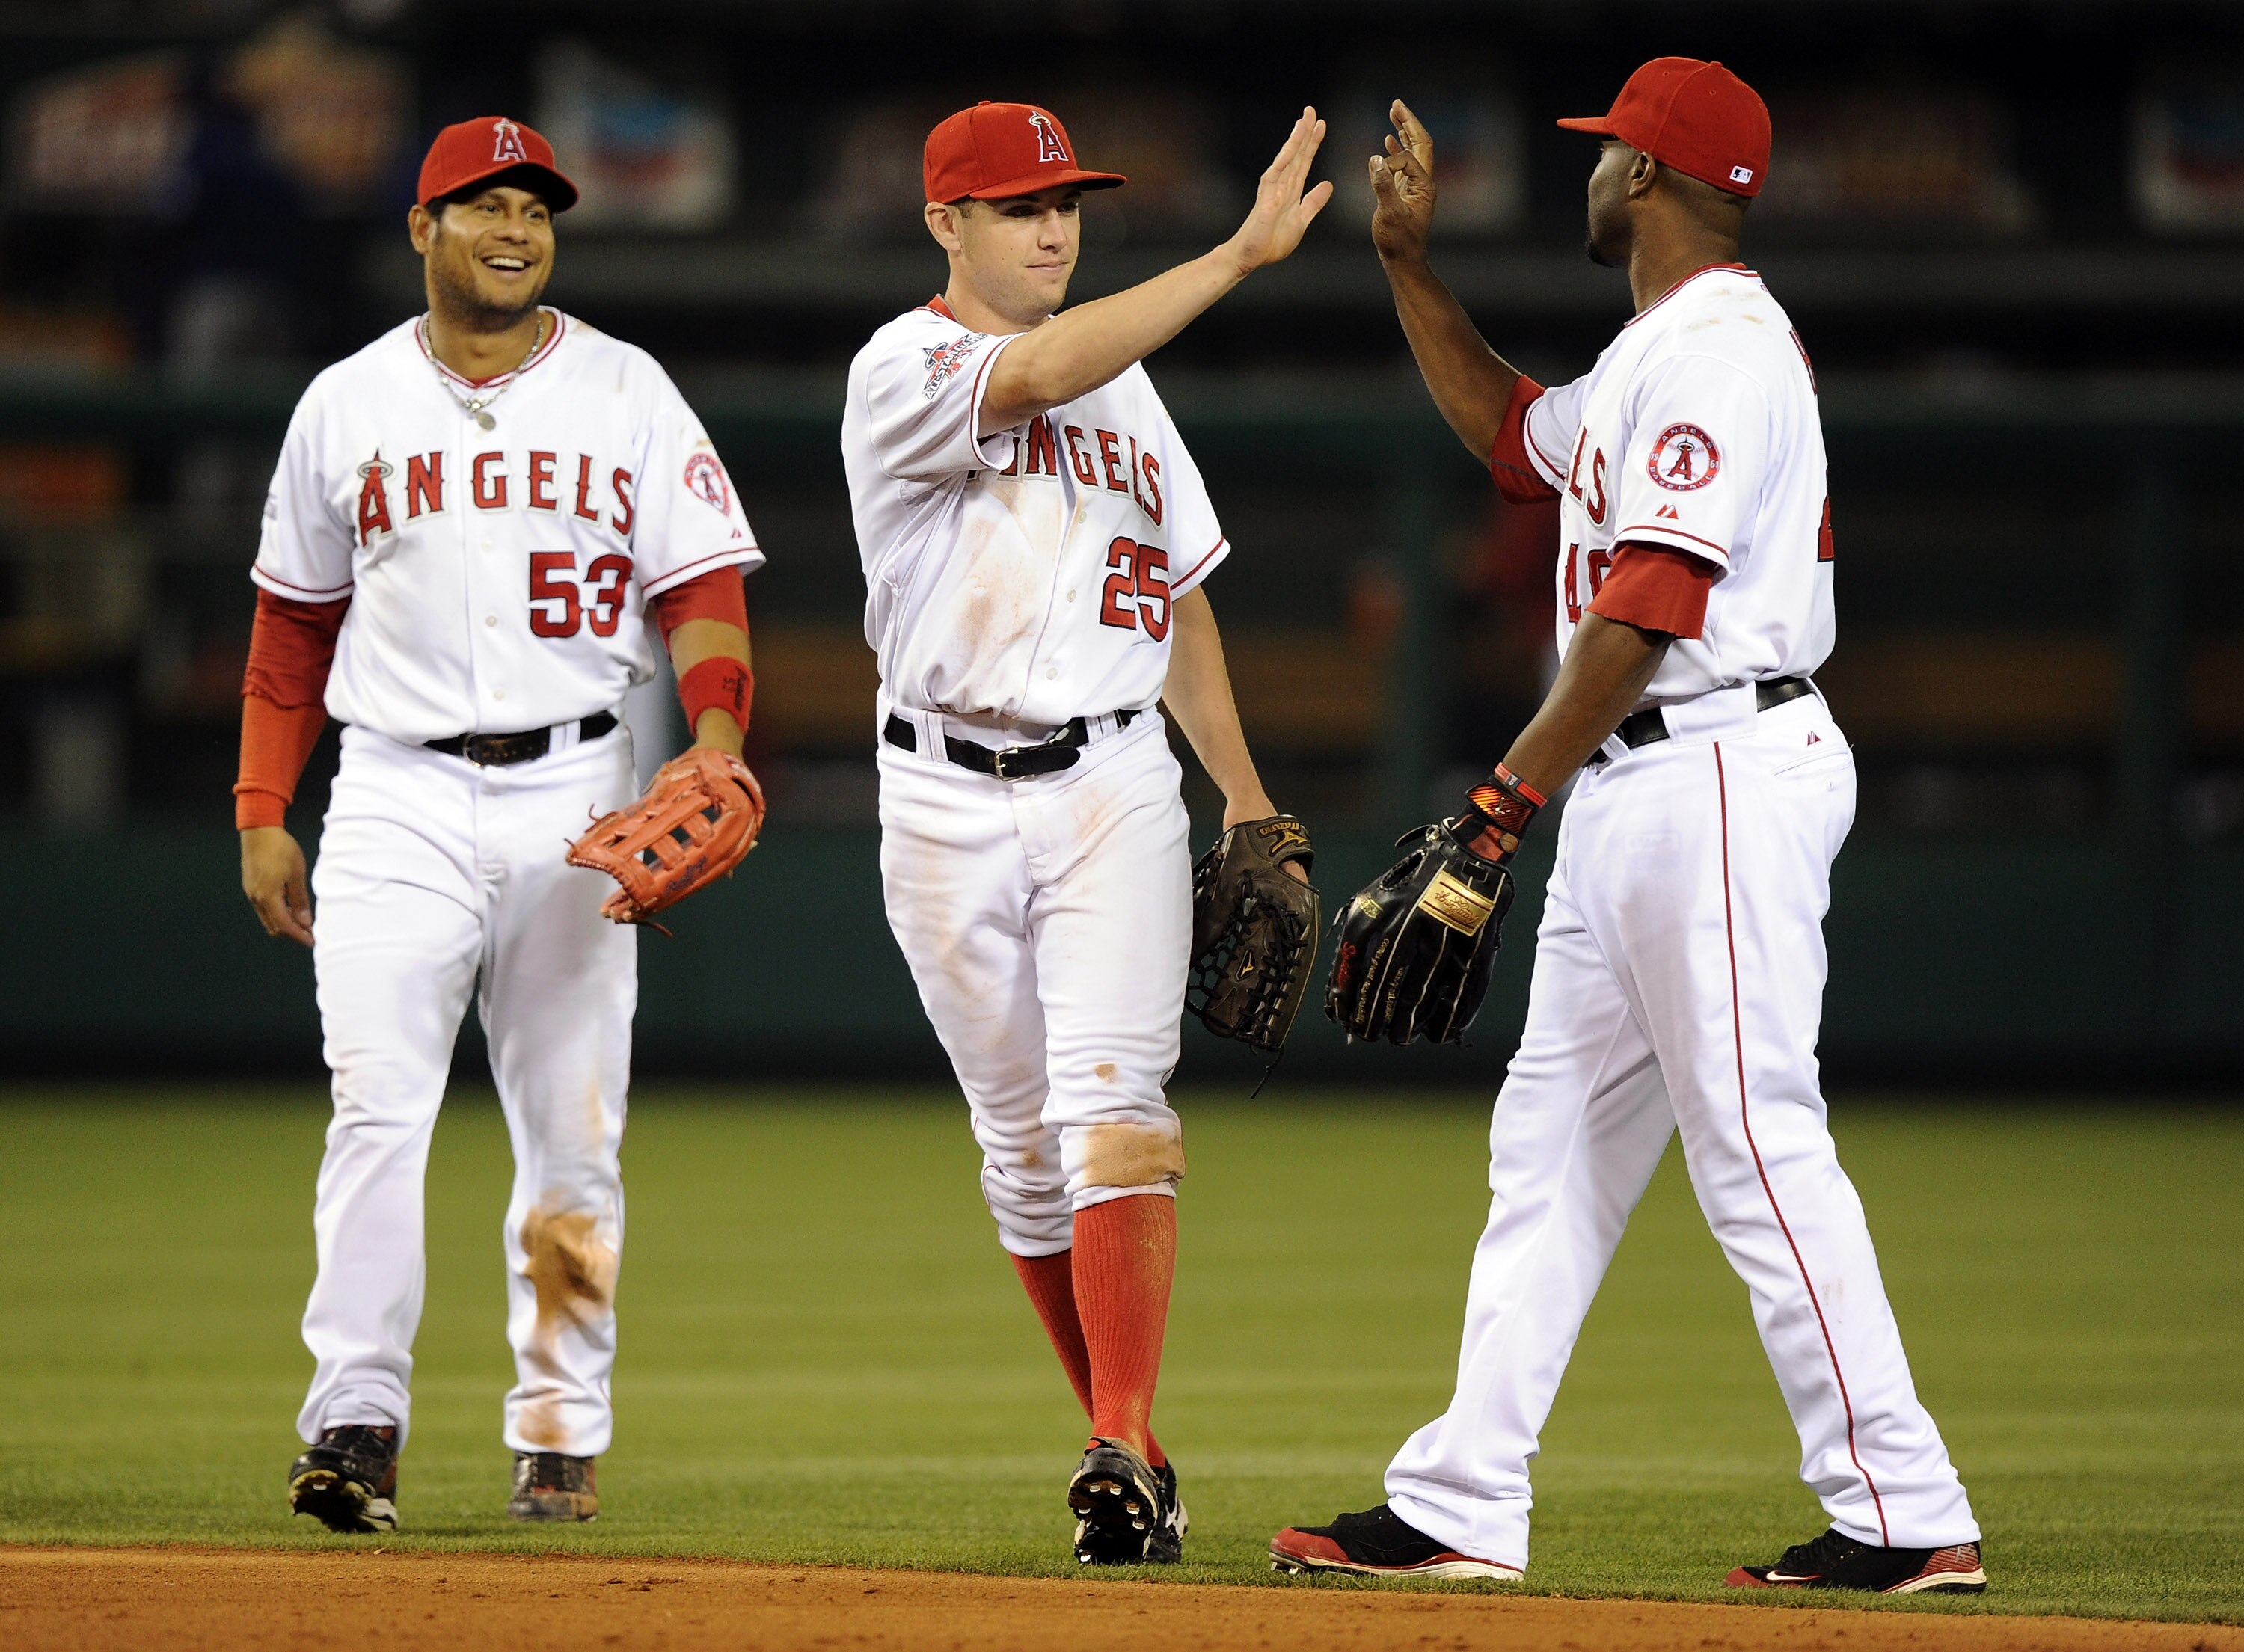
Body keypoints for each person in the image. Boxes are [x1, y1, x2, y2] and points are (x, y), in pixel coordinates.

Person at [1272, 61, 1986, 1594]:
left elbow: (1650, 607)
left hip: (1717, 767)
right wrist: (1408, 265)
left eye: (1607, 155)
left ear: (1653, 180)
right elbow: (1513, 436)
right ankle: (1464, 1494)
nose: (1589, 174)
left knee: (1754, 1141)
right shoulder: (1654, 350)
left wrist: (1496, 800)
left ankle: (1902, 1504)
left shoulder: (1723, 351)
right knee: (1552, 1152)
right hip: (1639, 788)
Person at [237, 115, 762, 1531]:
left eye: (537, 205)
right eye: (483, 204)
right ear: (423, 229)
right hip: (393, 792)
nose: (517, 227)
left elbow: (704, 587)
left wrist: (712, 741)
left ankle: (560, 1428)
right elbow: (291, 631)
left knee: (573, 1131)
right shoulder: (345, 402)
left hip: (579, 794)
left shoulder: (627, 390)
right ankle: (354, 1419)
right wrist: (259, 808)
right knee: (376, 1112)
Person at [839, 99, 1325, 1565]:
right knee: (1021, 1150)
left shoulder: (1129, 393)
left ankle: (1115, 1442)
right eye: (1016, 208)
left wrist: (1244, 792)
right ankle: (1144, 1454)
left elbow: (1174, 593)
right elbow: (1046, 364)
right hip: (938, 792)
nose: (1053, 228)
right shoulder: (905, 365)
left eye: (1066, 204)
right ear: (947, 223)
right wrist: (1237, 255)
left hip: (1112, 782)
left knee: (1118, 1113)